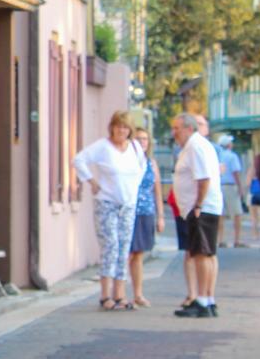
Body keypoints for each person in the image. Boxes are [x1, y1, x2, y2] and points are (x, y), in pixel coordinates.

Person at [72, 111, 148, 311]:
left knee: (124, 248)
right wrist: (91, 181)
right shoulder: (103, 147)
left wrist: (133, 190)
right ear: (112, 127)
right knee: (110, 246)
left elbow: (142, 168)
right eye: (118, 126)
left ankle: (120, 293)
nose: (121, 130)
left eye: (125, 127)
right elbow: (78, 160)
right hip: (107, 203)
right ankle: (105, 294)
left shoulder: (134, 148)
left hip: (128, 205)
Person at [170, 113, 224, 318]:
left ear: (189, 129)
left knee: (201, 254)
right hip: (204, 206)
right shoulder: (197, 145)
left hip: (201, 207)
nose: (174, 132)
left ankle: (202, 300)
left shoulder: (195, 146)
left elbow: (203, 178)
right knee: (206, 254)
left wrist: (198, 205)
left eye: (178, 128)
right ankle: (207, 299)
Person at [126, 127, 165, 308]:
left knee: (139, 254)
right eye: (139, 138)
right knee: (127, 253)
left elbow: (157, 192)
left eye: (145, 139)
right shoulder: (127, 161)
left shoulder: (151, 164)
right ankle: (120, 293)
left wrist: (161, 216)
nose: (142, 142)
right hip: (128, 210)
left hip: (145, 211)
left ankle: (138, 293)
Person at [215, 134, 248, 248]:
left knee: (220, 214)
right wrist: (240, 187)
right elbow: (236, 172)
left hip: (218, 186)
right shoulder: (232, 156)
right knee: (237, 213)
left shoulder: (217, 155)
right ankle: (237, 239)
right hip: (230, 186)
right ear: (229, 145)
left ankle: (220, 239)